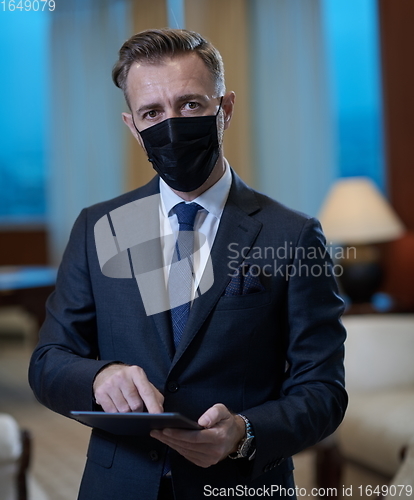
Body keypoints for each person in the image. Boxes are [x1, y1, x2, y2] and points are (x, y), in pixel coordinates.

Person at [29, 28, 347, 500]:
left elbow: (322, 389)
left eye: (191, 105)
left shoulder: (294, 235)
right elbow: (48, 362)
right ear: (133, 127)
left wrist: (246, 432)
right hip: (117, 485)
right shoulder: (99, 227)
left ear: (226, 108)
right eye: (152, 113)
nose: (171, 124)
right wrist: (98, 376)